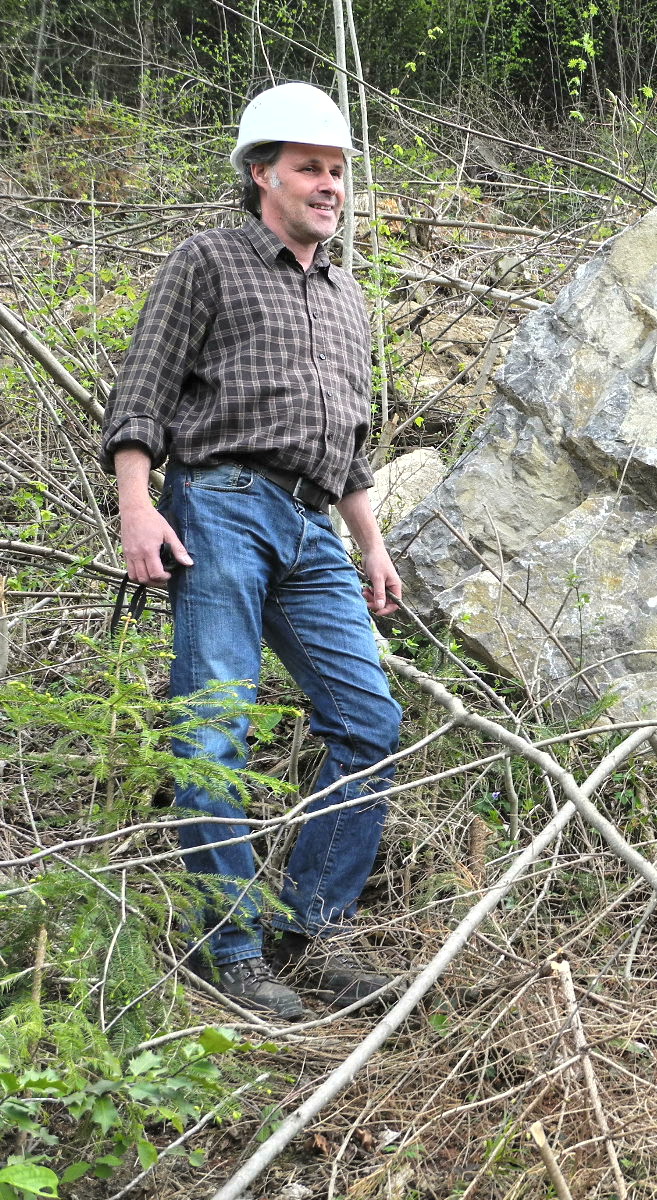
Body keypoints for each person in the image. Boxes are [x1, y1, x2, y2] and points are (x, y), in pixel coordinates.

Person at [101, 82, 403, 1020]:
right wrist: (138, 506)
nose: (330, 185)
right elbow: (142, 391)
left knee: (368, 722)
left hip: (315, 528)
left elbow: (349, 445)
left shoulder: (348, 296)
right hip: (221, 505)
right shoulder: (209, 261)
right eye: (310, 168)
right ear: (262, 173)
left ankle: (314, 928)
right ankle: (229, 948)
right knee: (214, 727)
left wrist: (371, 545)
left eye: (338, 170)